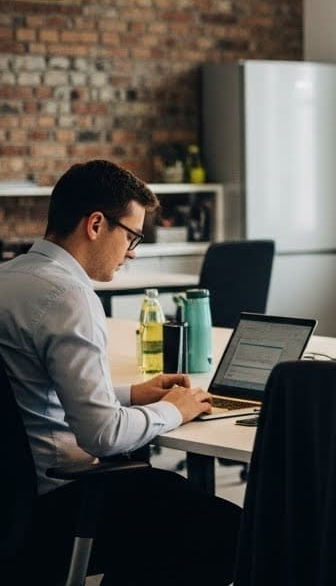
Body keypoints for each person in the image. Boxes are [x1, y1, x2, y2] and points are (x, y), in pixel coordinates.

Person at [0, 159, 238, 585]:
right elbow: (103, 435)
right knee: (228, 530)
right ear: (96, 224)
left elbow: (30, 387)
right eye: (132, 236)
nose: (132, 252)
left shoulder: (9, 279)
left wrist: (131, 394)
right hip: (60, 505)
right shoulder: (68, 296)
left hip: (13, 502)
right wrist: (176, 409)